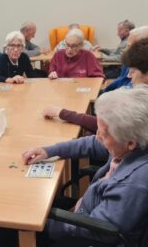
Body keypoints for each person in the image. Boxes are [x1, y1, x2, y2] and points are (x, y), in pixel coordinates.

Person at [23, 86, 148, 246]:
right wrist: (48, 151)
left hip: (88, 235)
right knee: (32, 206)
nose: (97, 137)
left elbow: (98, 231)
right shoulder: (127, 143)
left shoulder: (133, 185)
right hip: (87, 209)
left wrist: (43, 226)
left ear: (130, 143)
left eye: (103, 134)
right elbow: (91, 143)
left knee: (12, 231)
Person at [42, 26, 148, 133]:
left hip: (88, 104)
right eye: (67, 45)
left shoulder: (136, 100)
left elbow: (105, 126)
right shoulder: (132, 82)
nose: (69, 49)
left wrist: (62, 113)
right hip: (66, 97)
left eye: (133, 71)